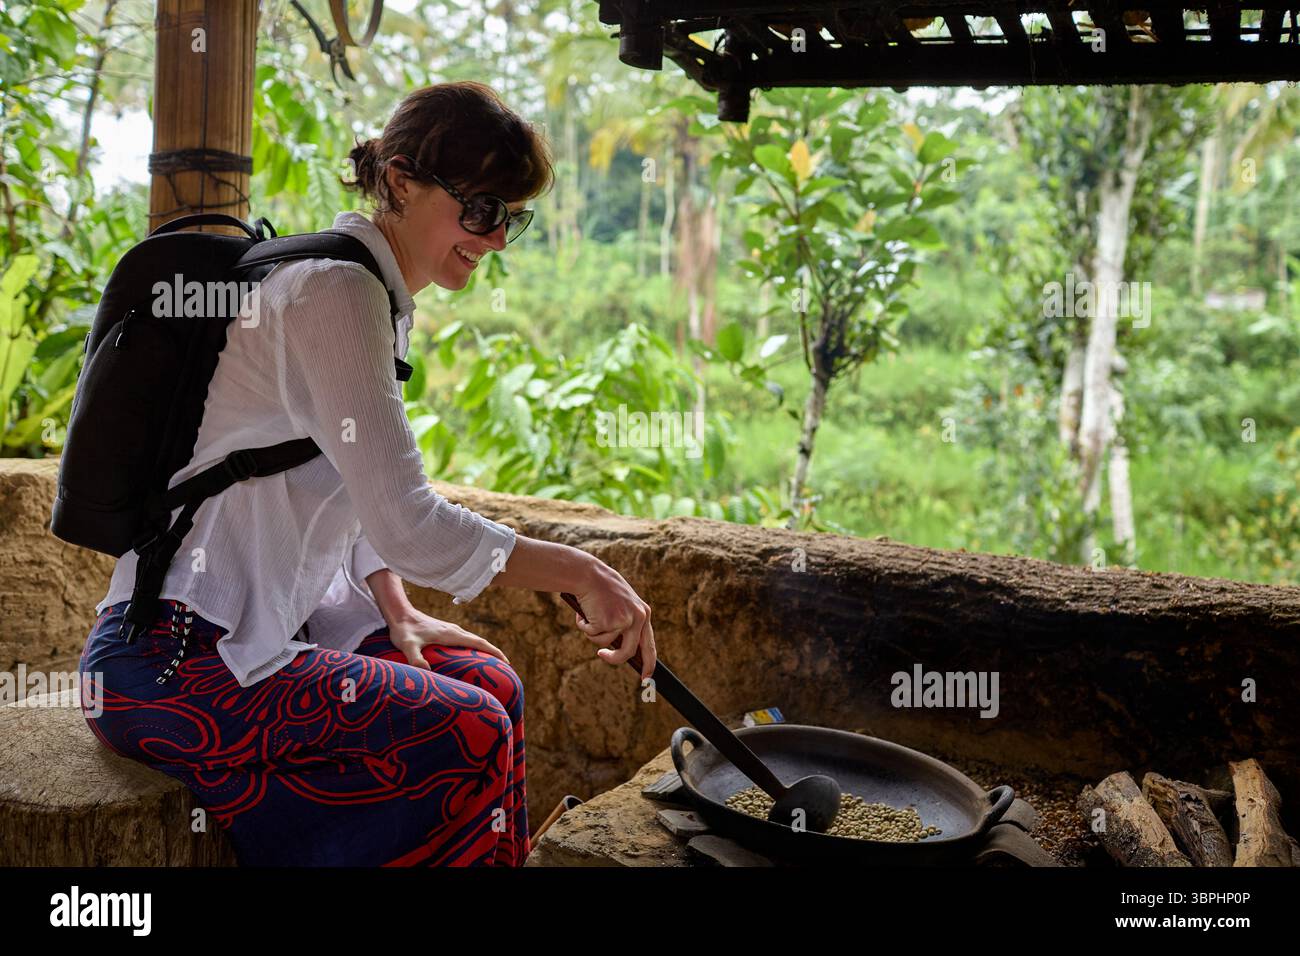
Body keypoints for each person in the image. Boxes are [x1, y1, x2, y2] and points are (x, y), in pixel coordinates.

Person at [78, 81, 656, 867]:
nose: (492, 239)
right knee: (471, 727)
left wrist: (395, 609)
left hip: (248, 638)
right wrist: (585, 571)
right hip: (172, 661)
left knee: (489, 680)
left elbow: (349, 491)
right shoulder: (336, 288)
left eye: (508, 219)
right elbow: (411, 523)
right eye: (479, 209)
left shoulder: (368, 291)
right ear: (400, 181)